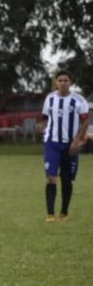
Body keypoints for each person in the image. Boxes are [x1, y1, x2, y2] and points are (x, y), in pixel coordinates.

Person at [41, 70, 90, 222]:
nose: (63, 83)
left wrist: (77, 141)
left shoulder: (79, 100)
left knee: (66, 179)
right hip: (52, 144)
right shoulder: (49, 98)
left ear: (71, 83)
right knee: (51, 177)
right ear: (56, 82)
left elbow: (85, 122)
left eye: (66, 80)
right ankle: (50, 214)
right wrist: (44, 132)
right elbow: (44, 117)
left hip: (70, 145)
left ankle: (64, 212)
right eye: (60, 80)